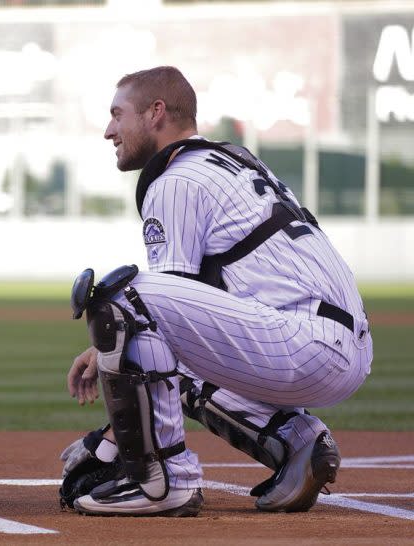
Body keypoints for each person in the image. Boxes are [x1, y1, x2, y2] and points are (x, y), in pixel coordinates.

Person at [60, 66, 372, 517]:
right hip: (340, 343)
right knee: (147, 331)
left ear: (155, 112)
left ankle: (163, 480)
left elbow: (154, 318)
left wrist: (109, 442)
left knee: (119, 295)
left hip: (302, 340)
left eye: (116, 114)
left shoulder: (176, 180)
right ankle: (294, 439)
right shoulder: (228, 162)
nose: (109, 130)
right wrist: (107, 354)